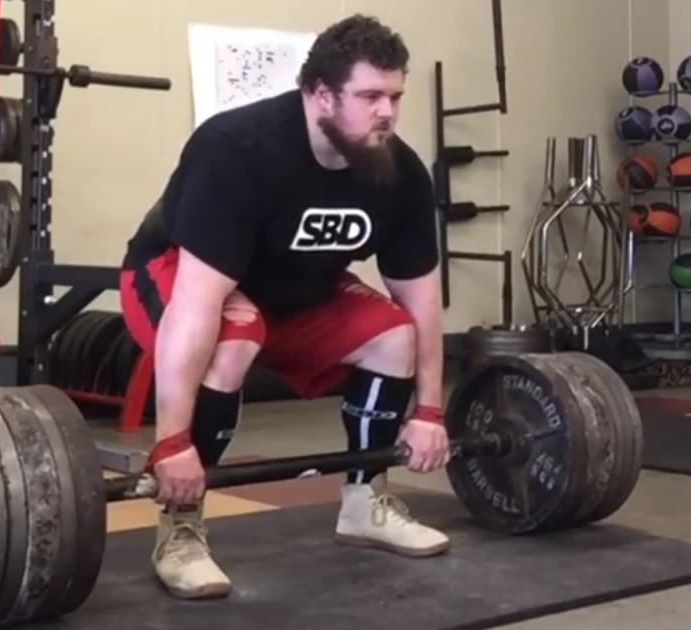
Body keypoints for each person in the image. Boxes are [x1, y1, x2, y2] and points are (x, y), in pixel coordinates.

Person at [119, 13, 450, 600]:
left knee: (395, 335)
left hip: (297, 292)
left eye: (395, 96)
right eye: (370, 96)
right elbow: (198, 302)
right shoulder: (238, 148)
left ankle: (363, 500)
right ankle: (181, 526)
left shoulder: (399, 173)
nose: (387, 113)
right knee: (234, 335)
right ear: (321, 95)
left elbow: (421, 300)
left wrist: (429, 411)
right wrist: (170, 441)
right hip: (176, 275)